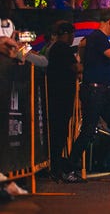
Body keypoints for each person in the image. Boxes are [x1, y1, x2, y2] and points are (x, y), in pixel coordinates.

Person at [62, 7, 110, 183]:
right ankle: (68, 168)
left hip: (103, 91)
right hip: (95, 91)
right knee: (89, 130)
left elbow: (83, 52)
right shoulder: (98, 38)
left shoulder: (95, 39)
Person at [46, 21, 80, 180]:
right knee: (59, 133)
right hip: (61, 97)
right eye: (72, 34)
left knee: (56, 132)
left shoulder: (52, 48)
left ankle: (56, 166)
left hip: (54, 95)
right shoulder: (62, 48)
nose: (73, 37)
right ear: (67, 34)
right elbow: (76, 68)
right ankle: (57, 168)